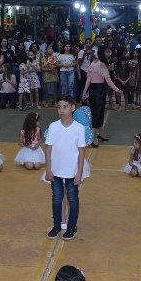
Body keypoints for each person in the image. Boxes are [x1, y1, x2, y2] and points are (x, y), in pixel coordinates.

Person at [45, 97, 86, 241]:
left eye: (65, 107)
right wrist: (48, 169)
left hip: (72, 171)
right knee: (57, 199)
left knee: (72, 199)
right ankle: (57, 226)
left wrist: (79, 172)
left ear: (73, 108)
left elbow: (81, 151)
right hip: (56, 171)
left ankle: (72, 227)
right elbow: (49, 149)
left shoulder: (79, 128)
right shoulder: (53, 126)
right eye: (59, 107)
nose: (61, 110)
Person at [81, 48, 121, 142]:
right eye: (107, 52)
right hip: (99, 90)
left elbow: (88, 80)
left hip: (92, 90)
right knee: (98, 113)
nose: (109, 53)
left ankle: (100, 134)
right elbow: (108, 80)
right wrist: (117, 90)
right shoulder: (102, 64)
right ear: (102, 53)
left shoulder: (92, 63)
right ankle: (92, 138)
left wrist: (84, 93)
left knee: (96, 112)